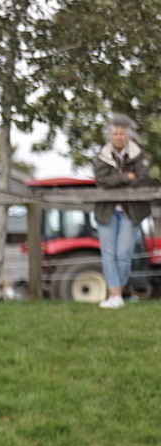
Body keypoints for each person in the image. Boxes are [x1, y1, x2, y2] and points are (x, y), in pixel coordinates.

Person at [93, 114, 151, 309]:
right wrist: (126, 178)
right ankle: (116, 295)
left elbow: (143, 179)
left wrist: (118, 180)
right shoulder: (102, 156)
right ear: (110, 136)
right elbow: (101, 180)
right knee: (109, 254)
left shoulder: (138, 155)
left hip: (130, 212)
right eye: (115, 133)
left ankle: (118, 293)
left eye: (121, 133)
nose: (118, 136)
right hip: (107, 211)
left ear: (128, 135)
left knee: (124, 254)